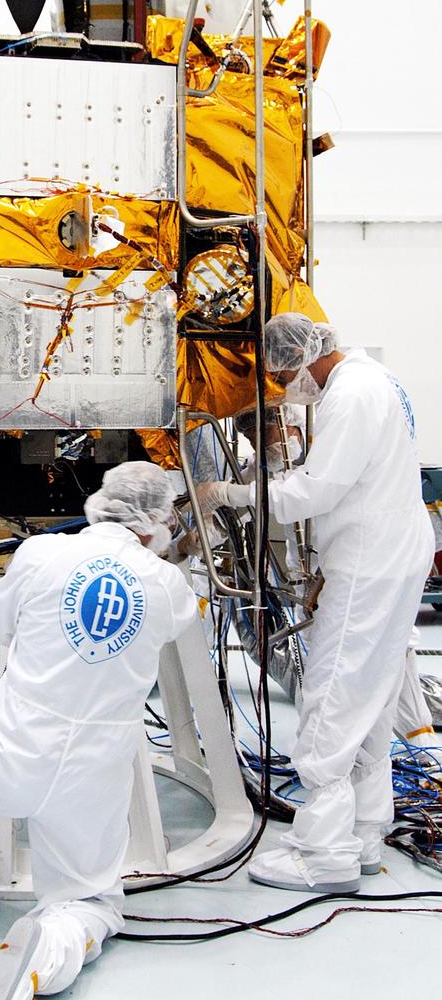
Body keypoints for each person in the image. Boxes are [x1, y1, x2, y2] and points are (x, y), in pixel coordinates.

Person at [0, 462, 198, 999]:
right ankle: (48, 952)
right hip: (94, 778)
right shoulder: (168, 585)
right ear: (156, 523)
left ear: (100, 504)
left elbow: (3, 630)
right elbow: (175, 620)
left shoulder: (41, 554)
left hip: (9, 759)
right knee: (88, 901)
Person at [197, 313, 435, 893]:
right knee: (370, 696)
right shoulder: (375, 379)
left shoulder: (350, 396)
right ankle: (366, 831)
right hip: (385, 554)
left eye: (282, 375)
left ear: (304, 357)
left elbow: (316, 491)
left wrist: (227, 492)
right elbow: (349, 486)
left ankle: (321, 852)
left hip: (370, 560)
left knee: (331, 695)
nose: (284, 389)